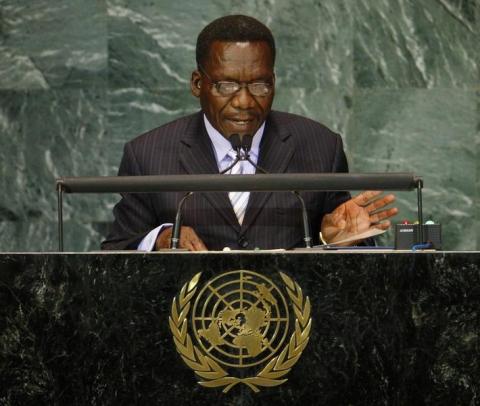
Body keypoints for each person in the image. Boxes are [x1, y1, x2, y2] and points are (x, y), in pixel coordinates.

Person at [101, 15, 397, 251]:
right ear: (197, 84)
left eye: (259, 85)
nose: (244, 102)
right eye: (226, 86)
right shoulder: (147, 155)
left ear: (274, 82)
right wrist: (162, 238)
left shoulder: (320, 146)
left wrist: (333, 240)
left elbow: (349, 242)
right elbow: (116, 250)